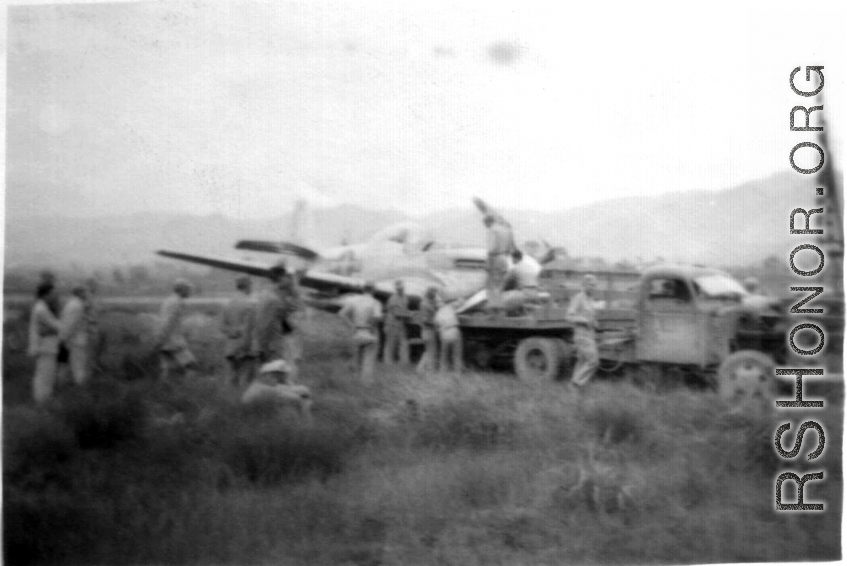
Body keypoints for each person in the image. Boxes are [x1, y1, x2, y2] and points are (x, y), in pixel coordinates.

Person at [253, 264, 305, 380]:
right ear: (281, 278)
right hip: (274, 346)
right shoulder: (273, 298)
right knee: (280, 377)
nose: (289, 279)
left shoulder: (270, 295)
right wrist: (263, 348)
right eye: (287, 276)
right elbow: (265, 326)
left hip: (275, 344)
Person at [474, 197, 515, 313]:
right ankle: (499, 307)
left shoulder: (492, 230)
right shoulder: (506, 230)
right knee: (500, 284)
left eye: (485, 225)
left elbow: (491, 248)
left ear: (487, 222)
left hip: (495, 259)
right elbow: (510, 248)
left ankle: (493, 309)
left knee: (491, 285)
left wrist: (487, 263)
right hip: (504, 259)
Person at [339, 281, 383, 384]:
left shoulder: (354, 301)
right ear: (374, 290)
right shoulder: (375, 302)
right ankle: (366, 383)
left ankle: (354, 381)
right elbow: (377, 317)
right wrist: (371, 326)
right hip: (368, 331)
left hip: (356, 331)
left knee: (356, 358)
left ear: (363, 289)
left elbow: (341, 314)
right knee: (368, 360)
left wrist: (351, 325)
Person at [155, 279, 197, 381]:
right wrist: (163, 337)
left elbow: (163, 320)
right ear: (181, 290)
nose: (190, 293)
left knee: (166, 369)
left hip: (165, 338)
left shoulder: (168, 300)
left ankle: (163, 390)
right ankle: (188, 388)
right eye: (188, 290)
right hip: (173, 340)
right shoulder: (177, 302)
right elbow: (168, 321)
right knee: (192, 366)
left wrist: (160, 338)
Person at [241, 359, 313, 420]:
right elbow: (296, 398)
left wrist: (286, 383)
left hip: (260, 412)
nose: (276, 378)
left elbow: (284, 388)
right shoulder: (266, 389)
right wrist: (306, 404)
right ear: (266, 375)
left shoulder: (258, 384)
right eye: (273, 376)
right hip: (257, 416)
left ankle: (304, 421)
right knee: (296, 405)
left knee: (302, 392)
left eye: (278, 375)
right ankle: (307, 423)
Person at [28, 282, 63, 403]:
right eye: (53, 294)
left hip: (46, 346)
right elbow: (57, 326)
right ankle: (42, 401)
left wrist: (52, 329)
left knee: (45, 374)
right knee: (45, 376)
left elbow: (53, 327)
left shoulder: (41, 307)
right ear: (45, 294)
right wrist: (56, 328)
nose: (54, 296)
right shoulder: (42, 309)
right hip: (45, 347)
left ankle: (42, 400)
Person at [221, 276, 256, 386]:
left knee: (230, 377)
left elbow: (222, 327)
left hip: (230, 344)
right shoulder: (250, 304)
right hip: (245, 345)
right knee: (245, 378)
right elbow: (249, 327)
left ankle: (226, 400)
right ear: (248, 286)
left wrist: (232, 332)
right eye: (251, 285)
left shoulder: (228, 303)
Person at [567, 274, 599, 387]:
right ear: (584, 285)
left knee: (581, 361)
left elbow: (590, 315)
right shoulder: (578, 298)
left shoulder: (590, 299)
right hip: (581, 335)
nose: (593, 287)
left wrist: (594, 322)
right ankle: (576, 382)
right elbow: (569, 316)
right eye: (591, 285)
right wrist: (584, 321)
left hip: (589, 334)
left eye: (595, 285)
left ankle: (573, 387)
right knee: (593, 361)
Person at [59, 284, 90, 386]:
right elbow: (72, 323)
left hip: (70, 338)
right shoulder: (78, 305)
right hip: (76, 339)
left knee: (67, 364)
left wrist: (63, 337)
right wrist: (66, 337)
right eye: (84, 292)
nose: (86, 294)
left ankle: (63, 384)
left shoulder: (69, 304)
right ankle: (80, 385)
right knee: (79, 364)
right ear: (79, 293)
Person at [501, 248, 543, 313]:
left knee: (502, 303)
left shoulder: (515, 268)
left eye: (512, 258)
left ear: (514, 258)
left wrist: (500, 290)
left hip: (524, 294)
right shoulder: (530, 267)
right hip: (535, 293)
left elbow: (505, 282)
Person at [383, 279, 411, 365]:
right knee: (390, 344)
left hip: (400, 323)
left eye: (402, 288)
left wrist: (408, 314)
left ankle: (404, 362)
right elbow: (396, 312)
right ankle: (388, 362)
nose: (400, 289)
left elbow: (405, 309)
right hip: (391, 323)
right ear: (396, 289)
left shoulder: (405, 297)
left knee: (403, 343)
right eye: (399, 288)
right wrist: (410, 314)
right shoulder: (393, 298)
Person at [434, 295, 463, 374]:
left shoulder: (437, 315)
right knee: (457, 354)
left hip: (444, 334)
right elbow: (460, 301)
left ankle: (442, 371)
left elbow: (436, 327)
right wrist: (459, 298)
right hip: (454, 331)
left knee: (444, 355)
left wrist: (440, 333)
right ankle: (457, 372)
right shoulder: (449, 307)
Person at [416, 286, 440, 374]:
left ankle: (420, 369)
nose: (435, 295)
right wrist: (435, 323)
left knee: (428, 351)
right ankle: (429, 370)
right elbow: (425, 320)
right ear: (430, 294)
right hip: (428, 330)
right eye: (434, 293)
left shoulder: (427, 303)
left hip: (428, 330)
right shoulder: (425, 304)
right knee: (431, 351)